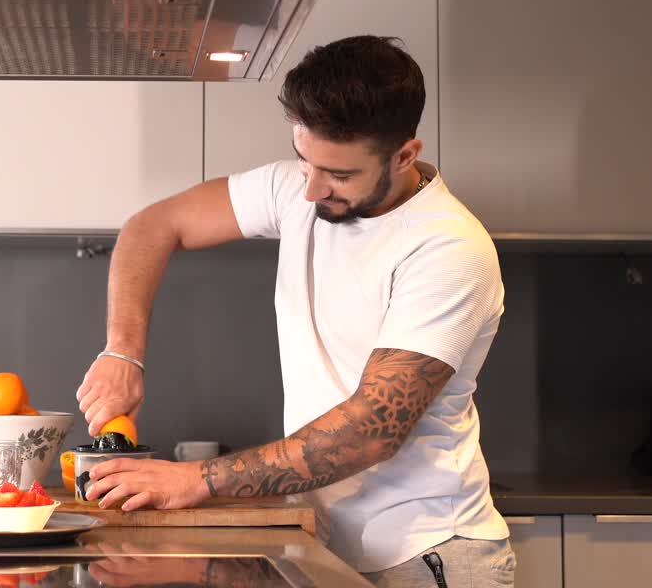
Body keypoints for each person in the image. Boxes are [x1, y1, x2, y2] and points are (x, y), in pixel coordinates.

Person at [74, 36, 516, 586]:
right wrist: (123, 352)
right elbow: (152, 226)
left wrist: (196, 480)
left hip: (425, 557)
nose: (309, 190)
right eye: (304, 159)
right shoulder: (297, 188)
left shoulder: (446, 247)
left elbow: (371, 430)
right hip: (324, 543)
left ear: (404, 155)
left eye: (338, 174)